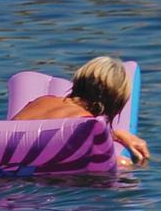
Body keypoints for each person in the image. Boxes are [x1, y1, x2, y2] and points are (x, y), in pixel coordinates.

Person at [9, 55, 150, 165]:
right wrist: (132, 165)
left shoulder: (42, 101)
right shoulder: (86, 124)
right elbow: (107, 162)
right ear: (115, 101)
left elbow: (44, 132)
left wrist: (117, 134)